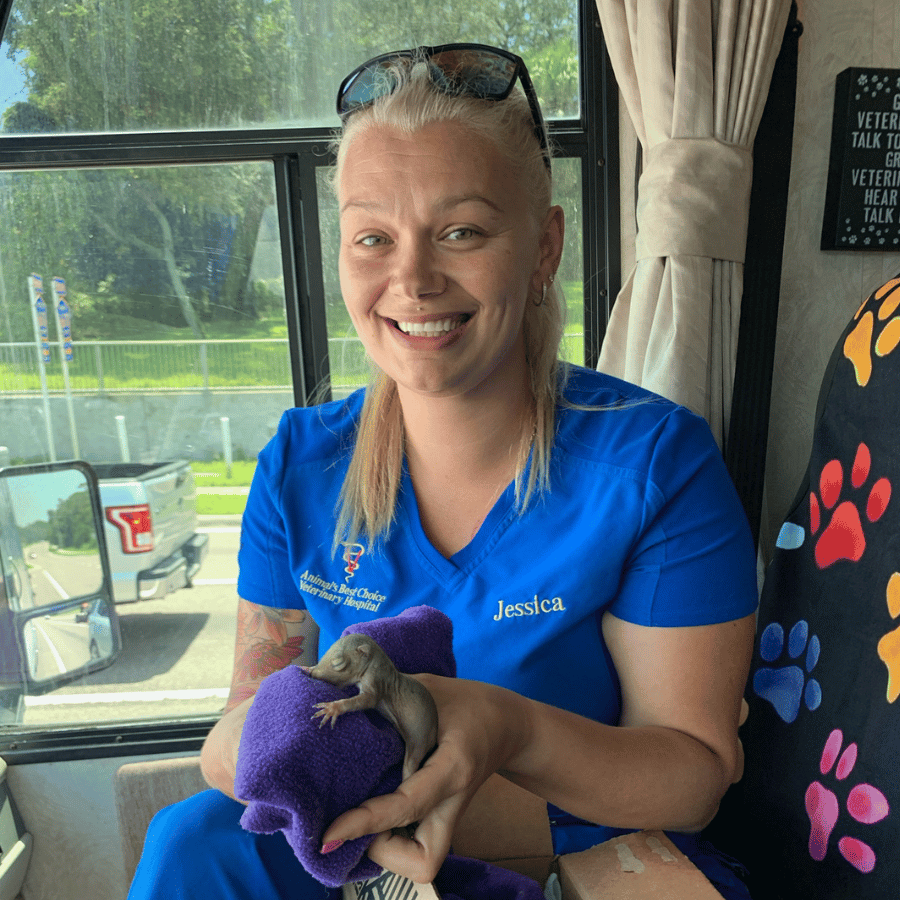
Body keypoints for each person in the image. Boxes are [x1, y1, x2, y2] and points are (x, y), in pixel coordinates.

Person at [128, 44, 758, 900]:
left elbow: (692, 781)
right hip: (354, 846)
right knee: (192, 840)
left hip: (577, 856)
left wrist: (503, 728)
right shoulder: (297, 468)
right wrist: (262, 737)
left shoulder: (655, 467)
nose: (413, 279)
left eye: (461, 231)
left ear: (544, 248)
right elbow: (239, 742)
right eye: (373, 237)